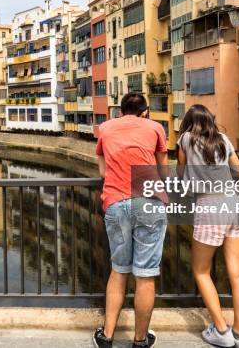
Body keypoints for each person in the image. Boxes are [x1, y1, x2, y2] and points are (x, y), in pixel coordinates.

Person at [93, 93, 168, 348]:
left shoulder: (105, 128)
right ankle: (140, 340)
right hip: (148, 199)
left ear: (120, 110)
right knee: (145, 275)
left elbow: (103, 171)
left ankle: (107, 336)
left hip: (116, 201)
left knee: (119, 270)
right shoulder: (156, 128)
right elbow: (163, 168)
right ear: (145, 112)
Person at [177, 104, 239, 348]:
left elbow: (180, 174)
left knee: (200, 271)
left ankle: (221, 331)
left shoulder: (186, 139)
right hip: (235, 205)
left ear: (189, 122)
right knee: (238, 273)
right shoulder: (223, 139)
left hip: (210, 206)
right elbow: (238, 171)